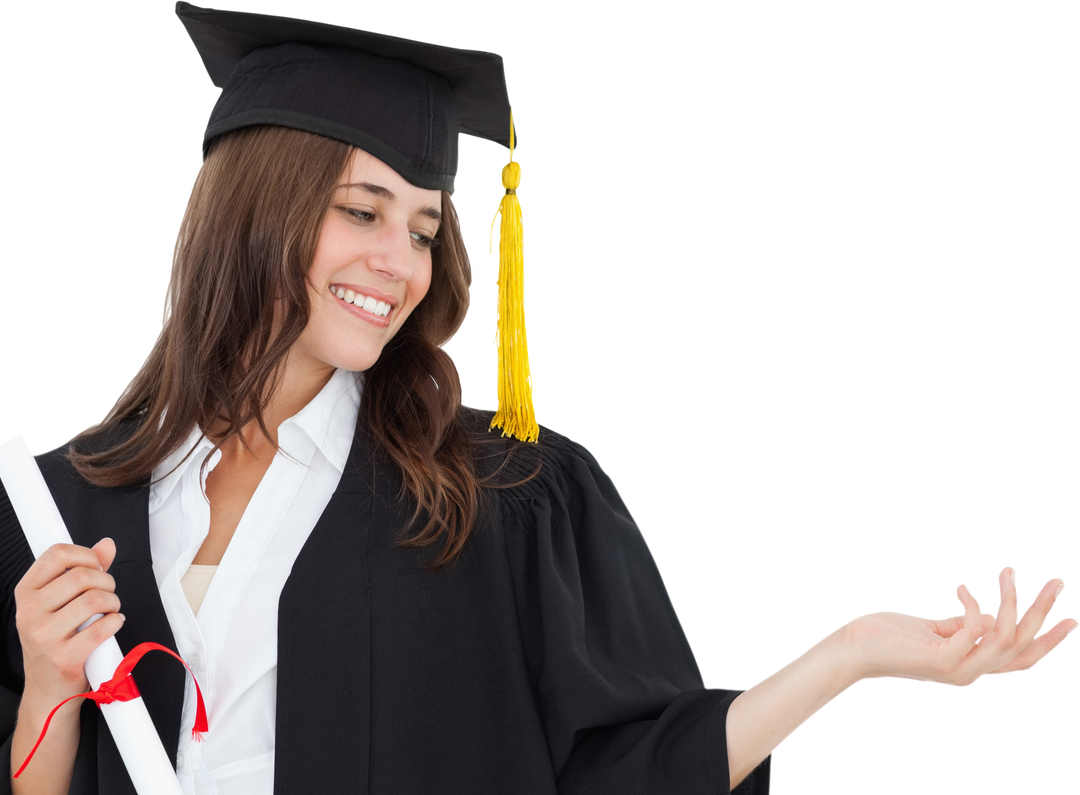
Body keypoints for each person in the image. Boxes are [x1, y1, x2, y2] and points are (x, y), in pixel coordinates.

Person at [1, 3, 1077, 795]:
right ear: (254, 212)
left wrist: (851, 657)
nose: (401, 262)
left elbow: (633, 769)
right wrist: (50, 678)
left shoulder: (504, 495)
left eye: (424, 228)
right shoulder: (69, 504)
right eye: (362, 211)